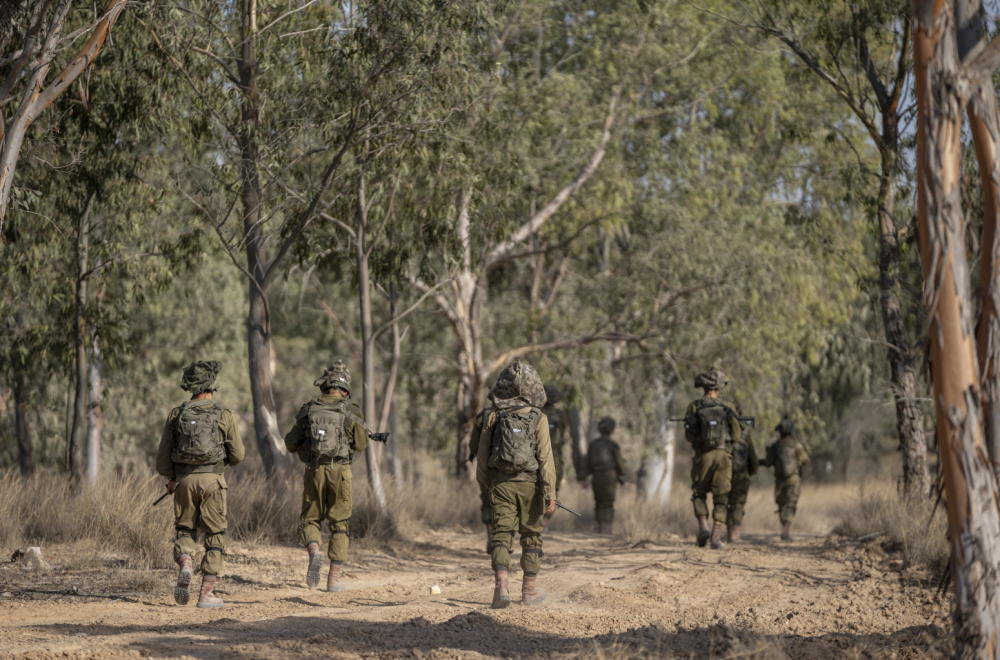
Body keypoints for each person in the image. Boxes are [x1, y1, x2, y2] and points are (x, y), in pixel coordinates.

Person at [156, 360, 244, 609]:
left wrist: (171, 479)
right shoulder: (223, 414)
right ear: (211, 387)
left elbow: (163, 457)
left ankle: (186, 564)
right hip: (213, 481)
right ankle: (206, 594)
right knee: (215, 534)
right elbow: (238, 455)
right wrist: (221, 464)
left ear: (191, 387)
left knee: (185, 530)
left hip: (183, 482)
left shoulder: (177, 414)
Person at [476, 360, 556, 609]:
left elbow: (482, 455)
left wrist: (486, 482)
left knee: (502, 535)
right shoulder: (539, 417)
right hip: (531, 487)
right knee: (531, 536)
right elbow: (546, 458)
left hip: (501, 485)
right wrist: (550, 492)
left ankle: (502, 588)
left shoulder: (493, 416)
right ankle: (529, 591)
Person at [284, 361, 369, 591]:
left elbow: (290, 443)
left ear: (325, 385)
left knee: (310, 519)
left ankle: (314, 551)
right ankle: (333, 580)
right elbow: (361, 444)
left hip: (314, 470)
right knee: (340, 523)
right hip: (340, 471)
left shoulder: (309, 409)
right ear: (345, 389)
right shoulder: (351, 410)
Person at [684, 367, 740, 550]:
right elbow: (736, 436)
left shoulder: (694, 407)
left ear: (704, 387)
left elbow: (689, 437)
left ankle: (703, 527)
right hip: (723, 457)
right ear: (719, 388)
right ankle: (716, 537)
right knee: (721, 496)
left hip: (703, 457)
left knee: (699, 493)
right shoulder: (728, 407)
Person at [760, 416, 809, 541]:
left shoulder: (775, 446)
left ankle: (784, 529)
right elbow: (805, 460)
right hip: (793, 478)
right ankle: (786, 531)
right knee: (791, 503)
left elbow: (768, 462)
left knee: (781, 504)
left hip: (779, 479)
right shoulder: (797, 446)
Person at [579, 417, 625, 535]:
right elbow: (619, 463)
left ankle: (600, 529)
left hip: (597, 476)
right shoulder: (613, 445)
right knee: (608, 503)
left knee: (598, 502)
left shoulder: (593, 445)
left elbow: (586, 463)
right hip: (610, 476)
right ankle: (607, 529)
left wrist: (583, 478)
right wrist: (622, 473)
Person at [541, 384, 571, 533]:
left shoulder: (534, 413)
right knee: (553, 490)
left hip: (537, 457)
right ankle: (545, 523)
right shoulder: (562, 415)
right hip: (555, 457)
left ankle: (533, 523)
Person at [469, 392, 497, 553]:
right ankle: (504, 538)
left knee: (487, 501)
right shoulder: (518, 413)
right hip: (509, 469)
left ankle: (491, 533)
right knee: (508, 502)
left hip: (486, 466)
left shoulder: (484, 415)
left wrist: (474, 455)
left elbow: (474, 444)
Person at [726, 408, 758, 543]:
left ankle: (729, 534)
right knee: (738, 504)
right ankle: (736, 534)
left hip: (725, 475)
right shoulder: (745, 436)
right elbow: (753, 460)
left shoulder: (723, 434)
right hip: (741, 475)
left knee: (726, 502)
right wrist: (751, 472)